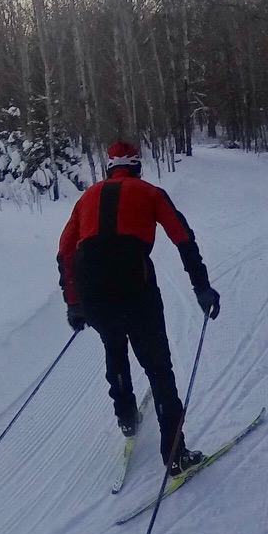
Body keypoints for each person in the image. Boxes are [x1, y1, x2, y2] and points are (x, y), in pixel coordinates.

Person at [57, 139, 222, 475]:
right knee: (158, 368)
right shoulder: (150, 193)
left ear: (109, 167)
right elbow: (183, 238)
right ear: (136, 166)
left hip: (92, 288)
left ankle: (127, 417)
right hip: (135, 285)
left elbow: (65, 251)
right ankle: (175, 456)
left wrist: (74, 302)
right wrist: (201, 286)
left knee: (114, 345)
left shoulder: (86, 197)